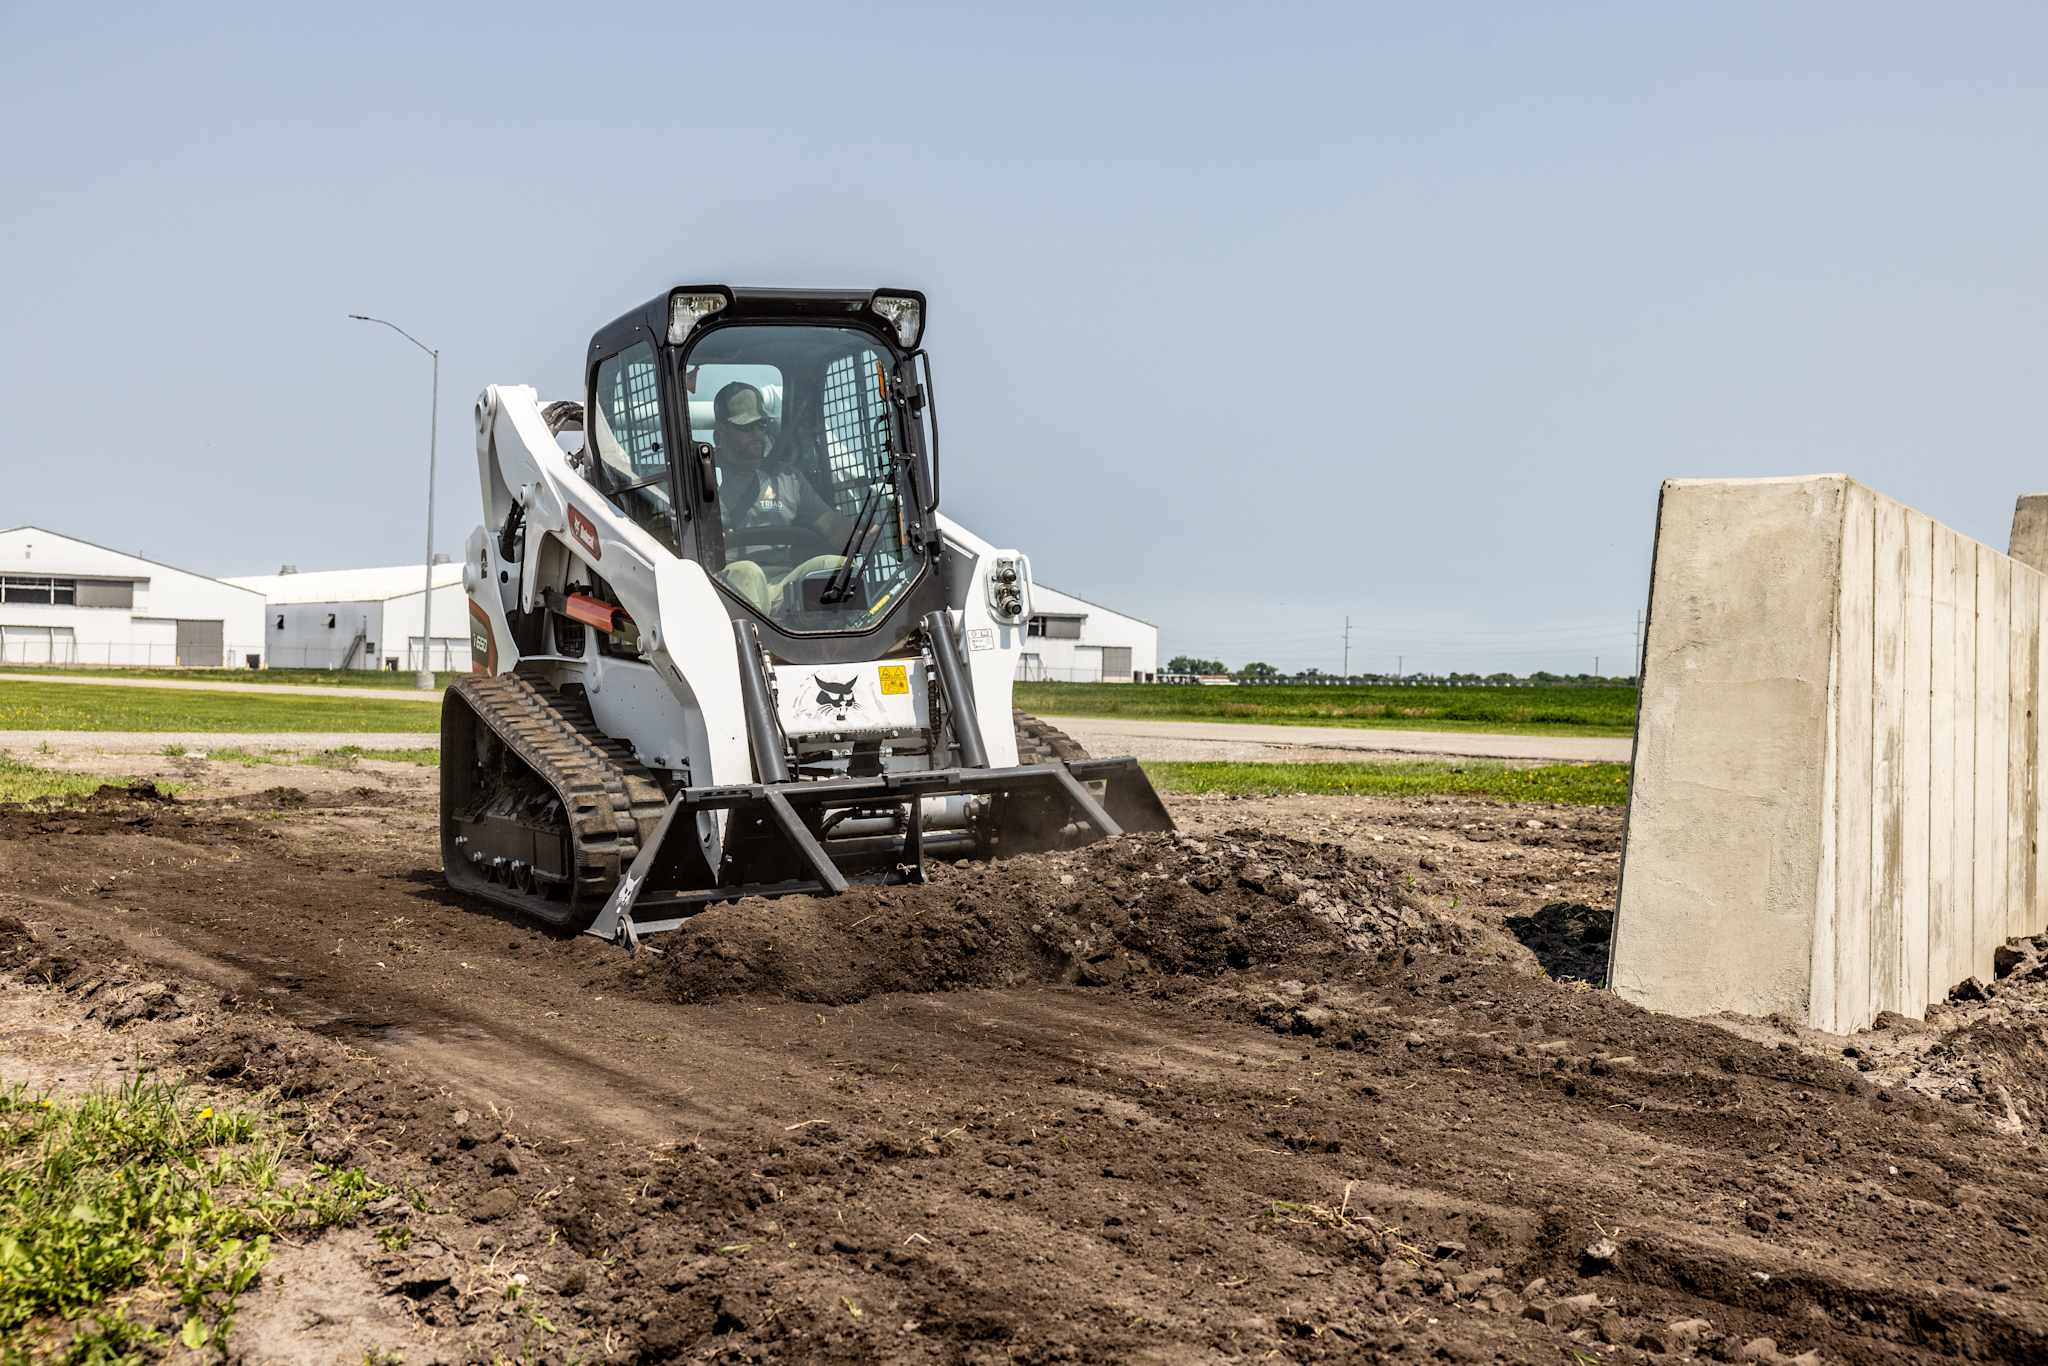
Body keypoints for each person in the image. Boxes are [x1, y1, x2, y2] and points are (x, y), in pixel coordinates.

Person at [711, 382, 851, 617]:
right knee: (748, 573)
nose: (757, 434)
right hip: (725, 587)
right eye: (746, 428)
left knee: (838, 569)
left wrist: (862, 536)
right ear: (719, 435)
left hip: (785, 583)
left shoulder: (787, 479)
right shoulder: (701, 479)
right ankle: (755, 650)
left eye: (761, 425)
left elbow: (831, 525)